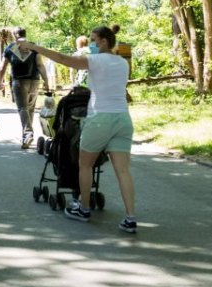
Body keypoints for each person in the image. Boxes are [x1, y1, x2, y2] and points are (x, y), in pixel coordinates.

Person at [23, 26, 137, 232]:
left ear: (103, 41)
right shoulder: (122, 62)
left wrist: (35, 47)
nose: (91, 44)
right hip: (122, 118)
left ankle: (83, 208)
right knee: (123, 171)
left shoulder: (95, 61)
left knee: (84, 165)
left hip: (100, 118)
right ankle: (130, 217)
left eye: (93, 40)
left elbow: (62, 58)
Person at [0, 27, 51, 148]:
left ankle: (27, 134)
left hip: (19, 81)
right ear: (25, 34)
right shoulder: (33, 47)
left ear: (14, 35)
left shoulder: (11, 48)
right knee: (30, 108)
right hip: (34, 81)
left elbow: (3, 67)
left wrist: (0, 82)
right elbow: (40, 65)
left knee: (23, 108)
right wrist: (46, 80)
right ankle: (26, 138)